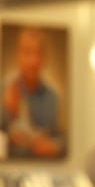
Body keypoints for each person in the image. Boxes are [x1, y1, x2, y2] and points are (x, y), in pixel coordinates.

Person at [2, 27, 65, 159]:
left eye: (38, 53)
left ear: (45, 58)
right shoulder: (4, 88)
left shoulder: (53, 96)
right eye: (27, 52)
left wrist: (53, 146)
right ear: (18, 55)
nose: (33, 61)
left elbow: (62, 139)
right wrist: (8, 139)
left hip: (44, 166)